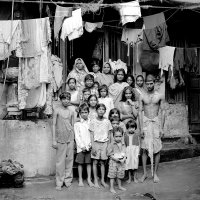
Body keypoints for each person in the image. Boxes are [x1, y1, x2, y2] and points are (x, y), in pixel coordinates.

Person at [138, 74, 165, 183]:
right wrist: (140, 128)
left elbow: (163, 112)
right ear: (145, 84)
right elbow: (140, 112)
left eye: (151, 83)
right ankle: (145, 173)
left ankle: (156, 174)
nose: (149, 85)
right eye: (147, 84)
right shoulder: (142, 96)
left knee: (157, 149)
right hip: (145, 122)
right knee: (144, 149)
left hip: (156, 122)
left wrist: (162, 128)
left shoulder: (160, 95)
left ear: (155, 83)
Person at [52, 92, 74, 191]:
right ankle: (59, 181)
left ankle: (68, 180)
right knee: (60, 161)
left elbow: (73, 126)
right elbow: (53, 125)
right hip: (60, 138)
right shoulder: (57, 110)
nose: (66, 100)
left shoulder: (72, 111)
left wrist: (75, 140)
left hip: (70, 138)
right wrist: (53, 140)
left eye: (68, 99)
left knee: (69, 160)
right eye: (64, 98)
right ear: (61, 100)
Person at [89, 103, 113, 188]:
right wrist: (93, 146)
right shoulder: (93, 121)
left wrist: (109, 146)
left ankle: (102, 180)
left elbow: (110, 135)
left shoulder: (107, 121)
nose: (101, 111)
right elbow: (91, 134)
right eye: (99, 109)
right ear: (96, 110)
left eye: (103, 109)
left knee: (103, 163)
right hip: (96, 143)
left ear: (105, 111)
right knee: (95, 162)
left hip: (105, 144)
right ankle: (95, 180)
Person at [74, 103, 94, 187]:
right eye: (82, 112)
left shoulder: (91, 122)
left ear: (88, 112)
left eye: (86, 112)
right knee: (80, 164)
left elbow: (92, 134)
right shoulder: (77, 124)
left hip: (89, 146)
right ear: (79, 113)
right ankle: (81, 179)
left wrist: (89, 145)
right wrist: (82, 146)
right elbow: (77, 136)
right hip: (81, 147)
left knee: (89, 163)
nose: (84, 114)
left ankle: (89, 179)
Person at [107, 127, 126, 194]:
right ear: (113, 136)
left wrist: (124, 159)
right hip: (113, 162)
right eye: (116, 136)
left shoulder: (123, 144)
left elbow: (124, 153)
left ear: (122, 136)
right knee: (112, 175)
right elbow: (109, 154)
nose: (118, 138)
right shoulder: (111, 144)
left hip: (121, 162)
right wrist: (116, 159)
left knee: (119, 175)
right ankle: (111, 188)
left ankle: (119, 186)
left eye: (120, 136)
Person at [124, 120, 140, 184]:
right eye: (130, 128)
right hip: (128, 152)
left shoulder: (136, 135)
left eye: (133, 128)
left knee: (135, 165)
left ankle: (135, 178)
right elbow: (125, 145)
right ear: (127, 128)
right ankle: (130, 178)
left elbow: (138, 145)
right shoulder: (126, 136)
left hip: (134, 152)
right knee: (129, 165)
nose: (131, 129)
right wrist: (125, 153)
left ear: (135, 128)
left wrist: (138, 153)